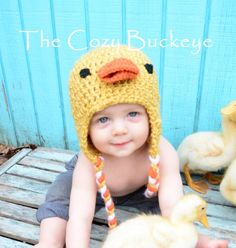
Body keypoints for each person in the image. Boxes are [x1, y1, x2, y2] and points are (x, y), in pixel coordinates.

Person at [34, 46, 228, 248]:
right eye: (103, 119)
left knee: (176, 209)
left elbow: (172, 206)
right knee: (61, 195)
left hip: (143, 190)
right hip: (96, 189)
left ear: (150, 116)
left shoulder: (162, 151)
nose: (119, 129)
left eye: (132, 114)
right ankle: (49, 241)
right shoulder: (89, 161)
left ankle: (200, 241)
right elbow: (80, 217)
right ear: (86, 128)